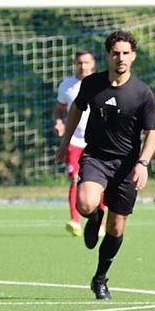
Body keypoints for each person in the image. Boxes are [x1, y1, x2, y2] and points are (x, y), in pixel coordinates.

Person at [55, 30, 155, 300]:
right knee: (85, 204)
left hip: (127, 166)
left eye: (125, 53)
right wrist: (65, 142)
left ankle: (100, 278)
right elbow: (76, 109)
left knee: (116, 228)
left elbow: (152, 131)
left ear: (133, 56)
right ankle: (94, 216)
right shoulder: (93, 84)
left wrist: (143, 163)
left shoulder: (142, 93)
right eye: (116, 53)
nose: (120, 58)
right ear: (108, 55)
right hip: (96, 157)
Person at [54, 50, 105, 239]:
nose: (83, 66)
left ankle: (100, 222)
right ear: (75, 64)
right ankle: (75, 221)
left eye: (86, 62)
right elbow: (59, 110)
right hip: (74, 141)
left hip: (97, 141)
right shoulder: (66, 85)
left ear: (93, 63)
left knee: (99, 183)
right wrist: (58, 122)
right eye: (79, 63)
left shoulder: (102, 83)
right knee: (75, 179)